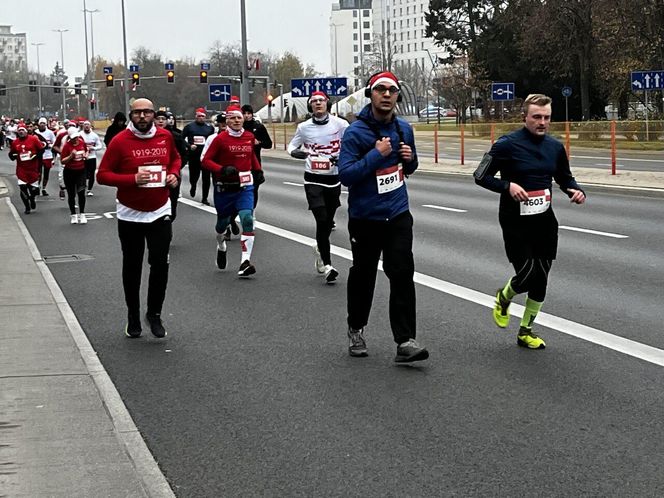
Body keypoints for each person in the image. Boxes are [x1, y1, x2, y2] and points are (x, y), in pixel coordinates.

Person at [475, 93, 586, 350]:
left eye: (547, 117)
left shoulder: (555, 147)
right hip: (515, 220)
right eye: (537, 117)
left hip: (545, 221)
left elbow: (564, 178)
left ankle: (526, 331)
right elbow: (480, 175)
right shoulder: (506, 145)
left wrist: (575, 190)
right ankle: (504, 297)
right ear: (525, 116)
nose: (542, 122)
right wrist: (507, 185)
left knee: (542, 278)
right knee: (526, 275)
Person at [338, 71, 428, 363]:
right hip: (366, 218)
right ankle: (356, 328)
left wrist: (409, 159)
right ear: (371, 95)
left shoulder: (404, 129)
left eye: (392, 90)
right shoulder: (356, 133)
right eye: (381, 90)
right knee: (364, 276)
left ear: (397, 96)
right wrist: (375, 156)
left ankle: (405, 341)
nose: (387, 95)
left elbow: (410, 167)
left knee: (402, 273)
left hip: (398, 213)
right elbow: (346, 175)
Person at [97, 98, 181, 339]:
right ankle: (133, 315)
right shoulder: (120, 141)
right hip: (129, 212)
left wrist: (174, 174)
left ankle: (154, 314)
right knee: (132, 267)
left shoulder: (165, 137)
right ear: (131, 115)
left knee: (160, 264)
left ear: (154, 114)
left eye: (147, 112)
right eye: (138, 113)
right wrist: (132, 180)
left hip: (160, 210)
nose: (143, 117)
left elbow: (175, 159)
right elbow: (102, 175)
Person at [288, 91, 348, 284]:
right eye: (314, 102)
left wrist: (343, 157)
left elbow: (351, 145)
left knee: (328, 222)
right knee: (322, 220)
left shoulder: (341, 125)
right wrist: (296, 153)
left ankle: (320, 250)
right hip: (313, 180)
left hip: (334, 179)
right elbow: (291, 146)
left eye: (321, 101)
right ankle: (329, 266)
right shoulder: (304, 127)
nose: (318, 104)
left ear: (327, 104)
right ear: (310, 106)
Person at [202, 104, 262, 277]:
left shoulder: (249, 136)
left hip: (245, 186)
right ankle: (221, 245)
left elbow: (251, 155)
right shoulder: (219, 139)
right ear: (226, 120)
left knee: (247, 218)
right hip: (225, 188)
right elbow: (205, 161)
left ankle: (245, 261)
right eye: (232, 118)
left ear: (243, 119)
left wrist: (257, 171)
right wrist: (222, 170)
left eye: (239, 117)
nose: (236, 121)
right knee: (222, 224)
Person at [201, 112, 238, 239]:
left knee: (238, 202)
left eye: (225, 123)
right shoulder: (212, 139)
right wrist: (219, 168)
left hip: (236, 176)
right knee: (222, 205)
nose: (223, 126)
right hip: (219, 176)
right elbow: (204, 158)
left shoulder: (235, 136)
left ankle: (231, 219)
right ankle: (226, 227)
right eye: (221, 123)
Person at [155, 110, 187, 221]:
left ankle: (170, 216)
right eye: (158, 119)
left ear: (167, 121)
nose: (160, 121)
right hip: (155, 175)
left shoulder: (175, 136)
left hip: (173, 172)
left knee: (173, 199)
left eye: (163, 119)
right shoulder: (148, 136)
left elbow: (183, 154)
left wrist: (177, 168)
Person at [9, 122, 44, 214]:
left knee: (34, 190)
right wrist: (14, 156)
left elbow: (41, 150)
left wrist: (36, 157)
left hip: (33, 168)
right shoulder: (15, 142)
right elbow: (11, 154)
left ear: (26, 131)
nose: (21, 132)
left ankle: (32, 198)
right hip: (22, 169)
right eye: (19, 130)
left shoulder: (33, 139)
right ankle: (27, 207)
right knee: (23, 187)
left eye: (22, 130)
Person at [241, 104, 272, 208]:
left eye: (248, 113)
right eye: (244, 113)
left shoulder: (258, 127)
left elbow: (269, 144)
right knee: (241, 189)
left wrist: (259, 142)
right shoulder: (238, 127)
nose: (246, 116)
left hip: (255, 163)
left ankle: (251, 211)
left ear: (252, 114)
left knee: (254, 189)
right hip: (240, 163)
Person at [182, 107, 214, 204]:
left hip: (205, 156)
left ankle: (205, 198)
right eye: (199, 116)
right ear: (195, 116)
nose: (200, 118)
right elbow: (181, 139)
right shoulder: (189, 127)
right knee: (194, 175)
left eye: (202, 116)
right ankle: (193, 185)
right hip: (194, 155)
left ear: (205, 117)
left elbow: (213, 140)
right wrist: (189, 145)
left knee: (206, 178)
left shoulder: (209, 128)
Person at [60, 126, 90, 224]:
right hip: (69, 172)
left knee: (81, 193)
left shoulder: (82, 142)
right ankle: (73, 215)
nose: (75, 139)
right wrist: (70, 156)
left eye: (76, 137)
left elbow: (86, 150)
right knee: (71, 194)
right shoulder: (67, 146)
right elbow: (62, 161)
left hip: (81, 171)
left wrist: (86, 155)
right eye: (73, 138)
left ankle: (82, 214)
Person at [80, 120, 103, 196]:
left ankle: (89, 190)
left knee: (92, 174)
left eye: (88, 125)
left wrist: (94, 148)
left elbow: (100, 146)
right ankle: (81, 188)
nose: (86, 126)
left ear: (90, 126)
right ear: (83, 126)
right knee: (82, 174)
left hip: (92, 157)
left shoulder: (94, 135)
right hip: (82, 157)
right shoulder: (80, 135)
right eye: (85, 125)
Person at [35, 117, 56, 196]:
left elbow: (54, 142)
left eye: (44, 123)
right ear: (39, 124)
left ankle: (44, 188)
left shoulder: (50, 133)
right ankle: (37, 186)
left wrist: (49, 145)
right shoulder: (36, 132)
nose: (42, 125)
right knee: (38, 173)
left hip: (48, 155)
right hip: (39, 155)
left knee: (46, 173)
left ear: (46, 124)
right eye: (41, 123)